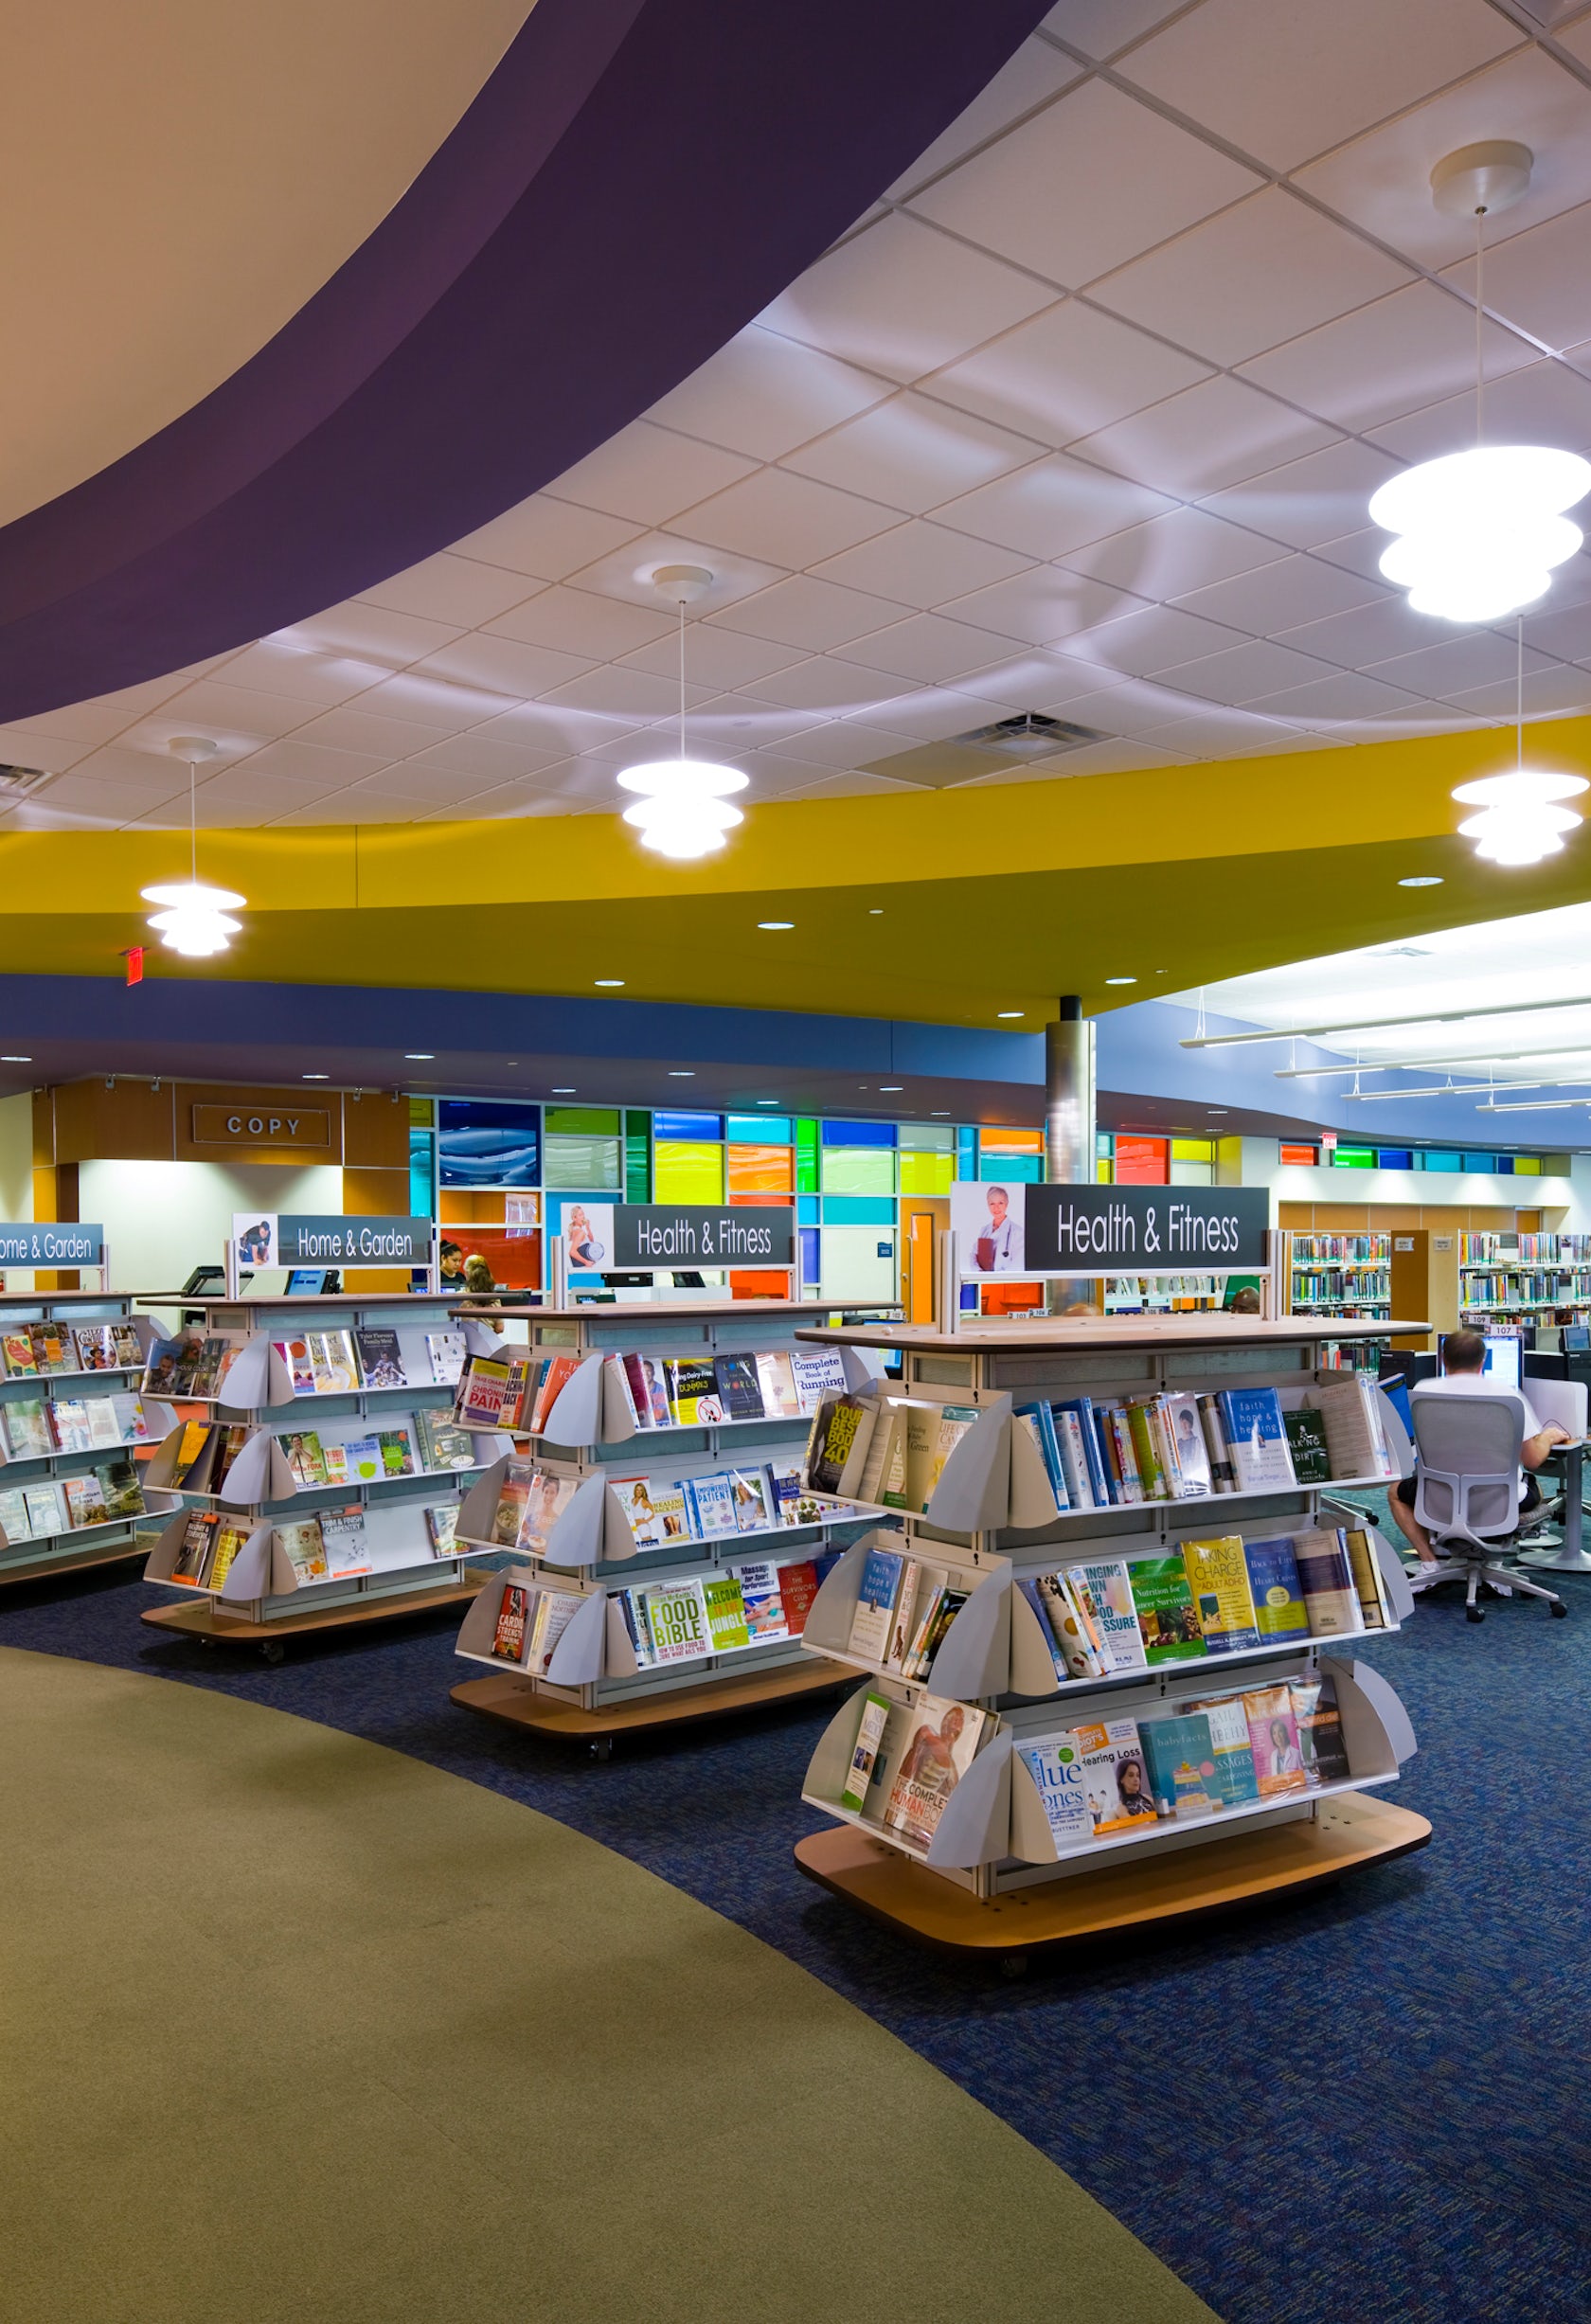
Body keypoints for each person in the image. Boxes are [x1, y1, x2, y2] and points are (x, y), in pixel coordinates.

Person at [1387, 1327, 1570, 1566]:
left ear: (1443, 1358)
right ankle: (1495, 1561)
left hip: (1437, 1501)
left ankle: (1429, 1562)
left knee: (1394, 1493)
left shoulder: (1423, 1391)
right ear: (1483, 1361)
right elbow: (1532, 1461)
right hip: (1499, 1504)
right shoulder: (1508, 1395)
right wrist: (1547, 1436)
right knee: (1534, 1487)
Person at [974, 1184, 1023, 1272]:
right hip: (984, 1280)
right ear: (988, 1205)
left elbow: (1017, 1264)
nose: (996, 1207)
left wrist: (997, 1276)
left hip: (1004, 1281)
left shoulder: (1017, 1232)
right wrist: (979, 1271)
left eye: (1000, 1203)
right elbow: (973, 1254)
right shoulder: (984, 1230)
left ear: (1007, 1204)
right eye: (992, 1203)